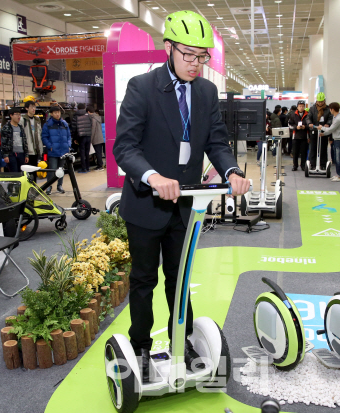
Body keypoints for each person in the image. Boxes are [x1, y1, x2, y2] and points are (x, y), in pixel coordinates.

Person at [113, 10, 249, 383]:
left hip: (187, 203)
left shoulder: (205, 91)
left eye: (203, 56)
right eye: (188, 54)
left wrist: (231, 170)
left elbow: (216, 141)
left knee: (180, 277)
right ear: (168, 47)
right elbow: (124, 148)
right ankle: (139, 345)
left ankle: (183, 339)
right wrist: (153, 176)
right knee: (144, 280)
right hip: (146, 204)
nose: (196, 63)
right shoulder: (142, 87)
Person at [41, 106, 70, 194]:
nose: (57, 114)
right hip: (53, 151)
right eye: (55, 112)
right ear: (51, 114)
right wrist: (50, 146)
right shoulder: (47, 125)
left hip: (63, 150)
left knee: (61, 170)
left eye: (58, 112)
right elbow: (44, 137)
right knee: (52, 170)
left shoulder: (64, 123)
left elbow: (69, 136)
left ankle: (59, 186)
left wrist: (68, 145)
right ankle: (49, 186)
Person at [318, 102, 340, 182]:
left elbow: (331, 129)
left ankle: (339, 175)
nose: (329, 110)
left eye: (330, 109)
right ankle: (338, 174)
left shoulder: (338, 118)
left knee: (339, 159)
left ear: (332, 109)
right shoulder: (336, 117)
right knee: (336, 158)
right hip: (337, 139)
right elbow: (332, 129)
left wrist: (322, 128)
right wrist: (324, 134)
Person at [307, 92, 332, 170]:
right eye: (319, 101)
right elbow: (308, 117)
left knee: (323, 148)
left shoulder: (328, 109)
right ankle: (313, 164)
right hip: (314, 130)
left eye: (322, 101)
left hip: (323, 131)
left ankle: (323, 164)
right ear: (316, 101)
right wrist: (310, 123)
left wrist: (328, 124)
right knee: (313, 148)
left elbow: (330, 118)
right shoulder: (312, 108)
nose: (320, 103)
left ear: (324, 100)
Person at [0, 107, 29, 173]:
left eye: (20, 115)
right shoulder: (6, 127)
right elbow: (4, 143)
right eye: (17, 114)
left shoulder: (20, 127)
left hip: (21, 154)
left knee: (22, 173)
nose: (19, 117)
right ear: (11, 115)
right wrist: (5, 155)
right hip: (11, 154)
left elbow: (24, 141)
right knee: (14, 173)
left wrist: (26, 154)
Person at [22, 101, 43, 168]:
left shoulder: (37, 120)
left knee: (34, 170)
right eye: (31, 107)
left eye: (34, 107)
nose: (33, 109)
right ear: (26, 108)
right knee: (27, 172)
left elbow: (40, 134)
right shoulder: (23, 120)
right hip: (27, 150)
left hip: (36, 150)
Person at [288, 102, 309, 171]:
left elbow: (310, 125)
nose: (301, 108)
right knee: (295, 152)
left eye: (302, 106)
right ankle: (295, 165)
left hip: (304, 136)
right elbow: (289, 124)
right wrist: (295, 127)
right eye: (300, 106)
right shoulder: (293, 114)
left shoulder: (307, 114)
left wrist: (305, 127)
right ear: (297, 107)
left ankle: (303, 165)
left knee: (304, 152)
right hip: (295, 136)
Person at [72, 103, 92, 173]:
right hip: (88, 136)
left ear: (77, 108)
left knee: (82, 153)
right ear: (84, 108)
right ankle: (88, 168)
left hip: (81, 137)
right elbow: (91, 125)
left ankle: (83, 168)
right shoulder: (88, 116)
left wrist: (74, 138)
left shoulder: (75, 116)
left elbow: (74, 128)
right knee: (87, 152)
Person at [88, 106, 104, 171]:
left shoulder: (93, 119)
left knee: (97, 153)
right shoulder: (98, 117)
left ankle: (100, 166)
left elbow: (93, 130)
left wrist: (90, 140)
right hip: (100, 137)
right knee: (99, 152)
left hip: (96, 138)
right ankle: (100, 165)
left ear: (88, 112)